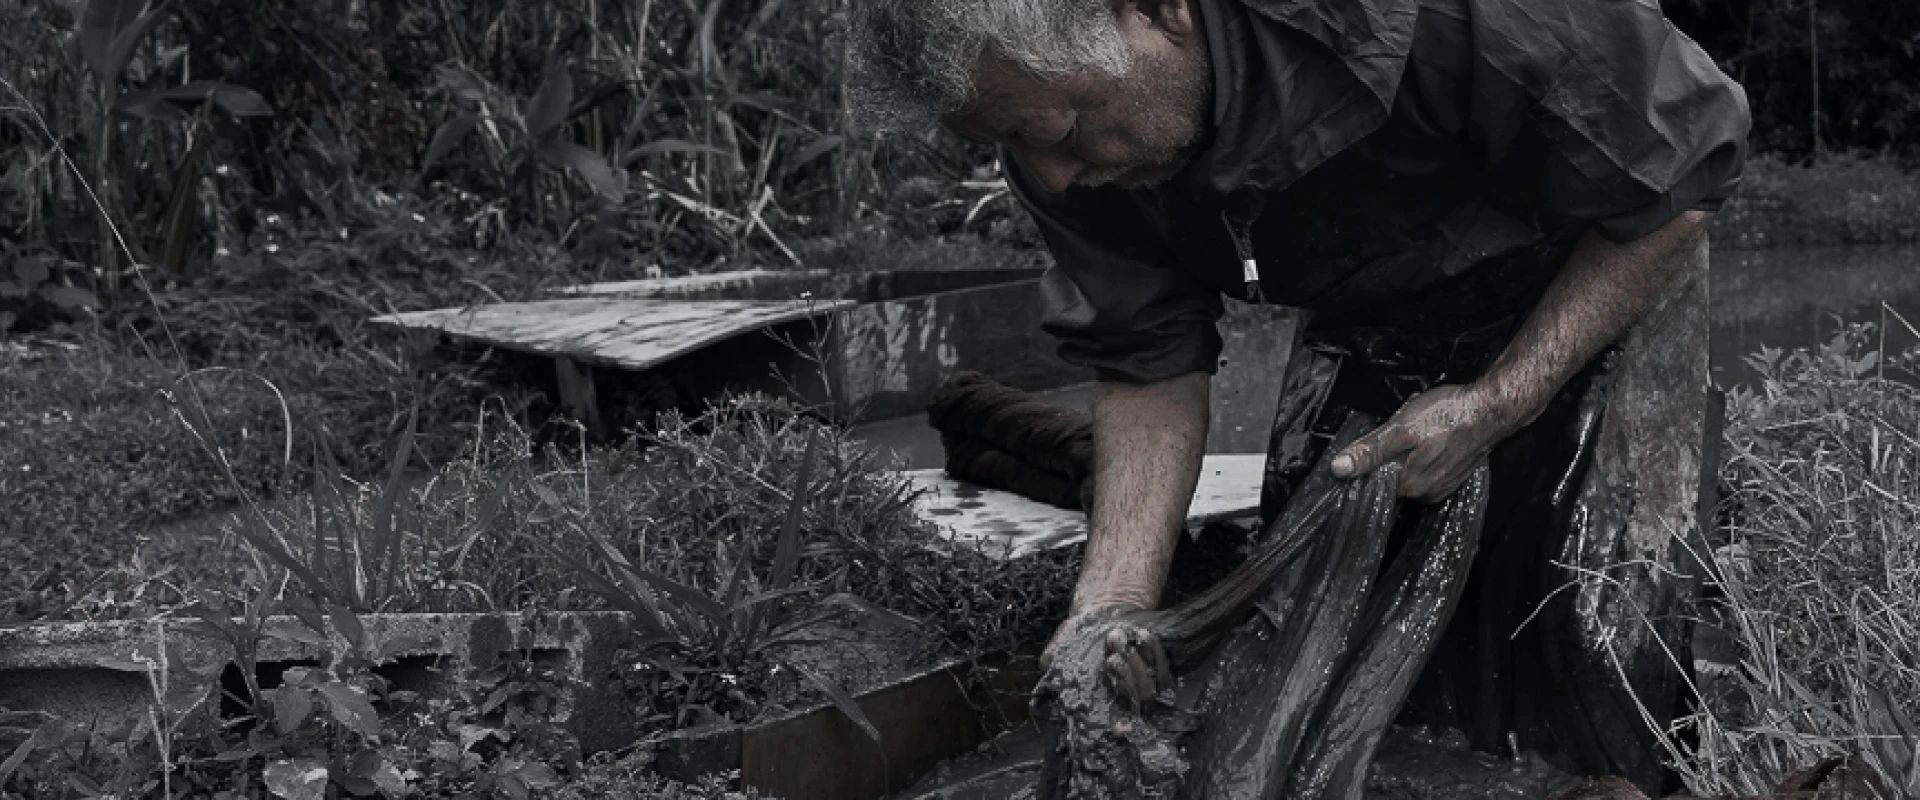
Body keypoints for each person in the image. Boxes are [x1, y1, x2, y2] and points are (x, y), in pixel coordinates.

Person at [848, 0, 1749, 789]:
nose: (1047, 175)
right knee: (1318, 650)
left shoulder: (1472, 15)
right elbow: (1146, 357)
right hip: (1370, 303)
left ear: (1158, 10)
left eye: (1062, 129)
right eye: (1008, 139)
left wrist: (1500, 401)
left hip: (1594, 269)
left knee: (1591, 650)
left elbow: (1685, 167)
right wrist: (1109, 605)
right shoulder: (1062, 131)